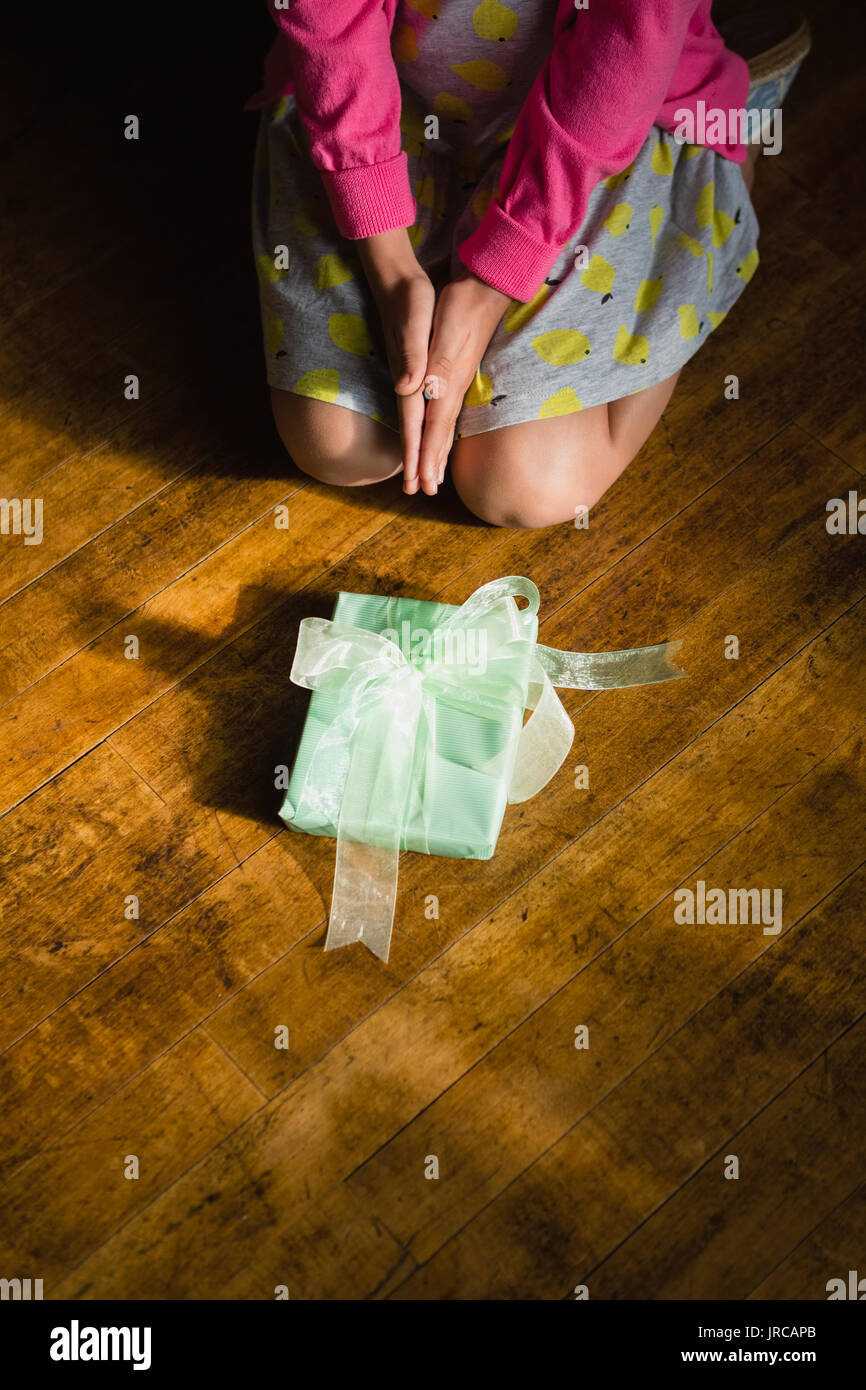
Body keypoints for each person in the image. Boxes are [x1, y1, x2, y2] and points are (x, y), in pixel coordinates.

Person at [248, 2, 809, 527]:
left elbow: (624, 55)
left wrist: (491, 281)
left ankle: (735, 152)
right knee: (339, 446)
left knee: (526, 486)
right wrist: (388, 262)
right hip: (379, 98)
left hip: (603, 127)